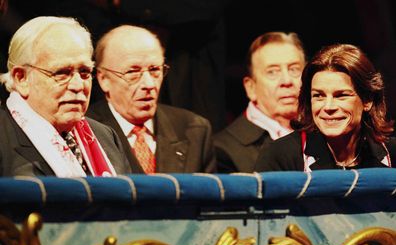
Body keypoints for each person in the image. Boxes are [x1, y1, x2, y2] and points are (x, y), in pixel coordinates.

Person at [0, 16, 131, 177]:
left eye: (84, 72)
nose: (78, 86)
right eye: (61, 73)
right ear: (22, 78)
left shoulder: (106, 137)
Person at [88, 25, 216, 173]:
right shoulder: (85, 133)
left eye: (155, 70)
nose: (149, 84)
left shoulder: (195, 130)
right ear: (104, 79)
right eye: (133, 72)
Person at [255, 43, 396, 172]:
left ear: (367, 100)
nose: (328, 107)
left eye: (341, 95)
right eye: (319, 96)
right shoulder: (280, 156)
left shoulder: (392, 153)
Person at [214, 32, 306, 172]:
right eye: (272, 72)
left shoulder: (325, 133)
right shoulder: (223, 150)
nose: (286, 81)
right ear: (250, 87)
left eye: (294, 69)